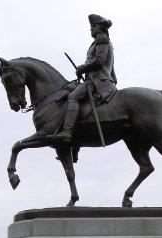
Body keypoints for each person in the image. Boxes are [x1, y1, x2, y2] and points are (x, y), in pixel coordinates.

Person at [51, 13, 117, 144]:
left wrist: (83, 68)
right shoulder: (100, 41)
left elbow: (99, 61)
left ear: (101, 28)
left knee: (73, 97)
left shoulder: (102, 38)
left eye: (94, 26)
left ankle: (67, 132)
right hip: (97, 79)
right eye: (91, 26)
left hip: (98, 81)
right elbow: (110, 68)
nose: (91, 29)